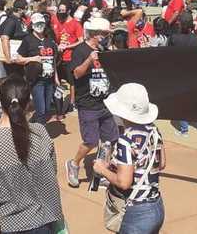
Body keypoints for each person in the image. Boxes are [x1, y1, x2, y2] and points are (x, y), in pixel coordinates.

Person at [0, 77, 64, 234]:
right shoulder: (40, 132)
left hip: (4, 224)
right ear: (28, 103)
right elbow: (52, 170)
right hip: (43, 222)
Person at [93, 83, 166, 234]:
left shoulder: (126, 140)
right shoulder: (154, 130)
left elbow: (124, 182)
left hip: (137, 212)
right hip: (157, 206)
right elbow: (162, 163)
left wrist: (102, 169)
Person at [65, 17, 118, 188]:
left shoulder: (105, 50)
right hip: (88, 104)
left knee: (110, 139)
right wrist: (89, 59)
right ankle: (74, 164)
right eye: (105, 34)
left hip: (105, 103)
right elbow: (76, 74)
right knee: (91, 141)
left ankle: (102, 169)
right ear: (96, 35)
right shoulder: (80, 50)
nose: (107, 37)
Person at [16, 12, 60, 124]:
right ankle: (39, 136)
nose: (39, 26)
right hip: (36, 80)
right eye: (37, 23)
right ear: (32, 25)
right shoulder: (28, 40)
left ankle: (34, 129)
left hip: (49, 79)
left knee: (47, 110)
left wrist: (56, 78)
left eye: (41, 23)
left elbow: (53, 60)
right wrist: (33, 59)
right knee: (41, 110)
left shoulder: (49, 41)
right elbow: (18, 59)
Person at [0, 0, 30, 78]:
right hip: (12, 58)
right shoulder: (11, 21)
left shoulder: (20, 20)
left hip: (19, 56)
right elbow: (4, 38)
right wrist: (8, 58)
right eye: (25, 9)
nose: (27, 11)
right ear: (19, 10)